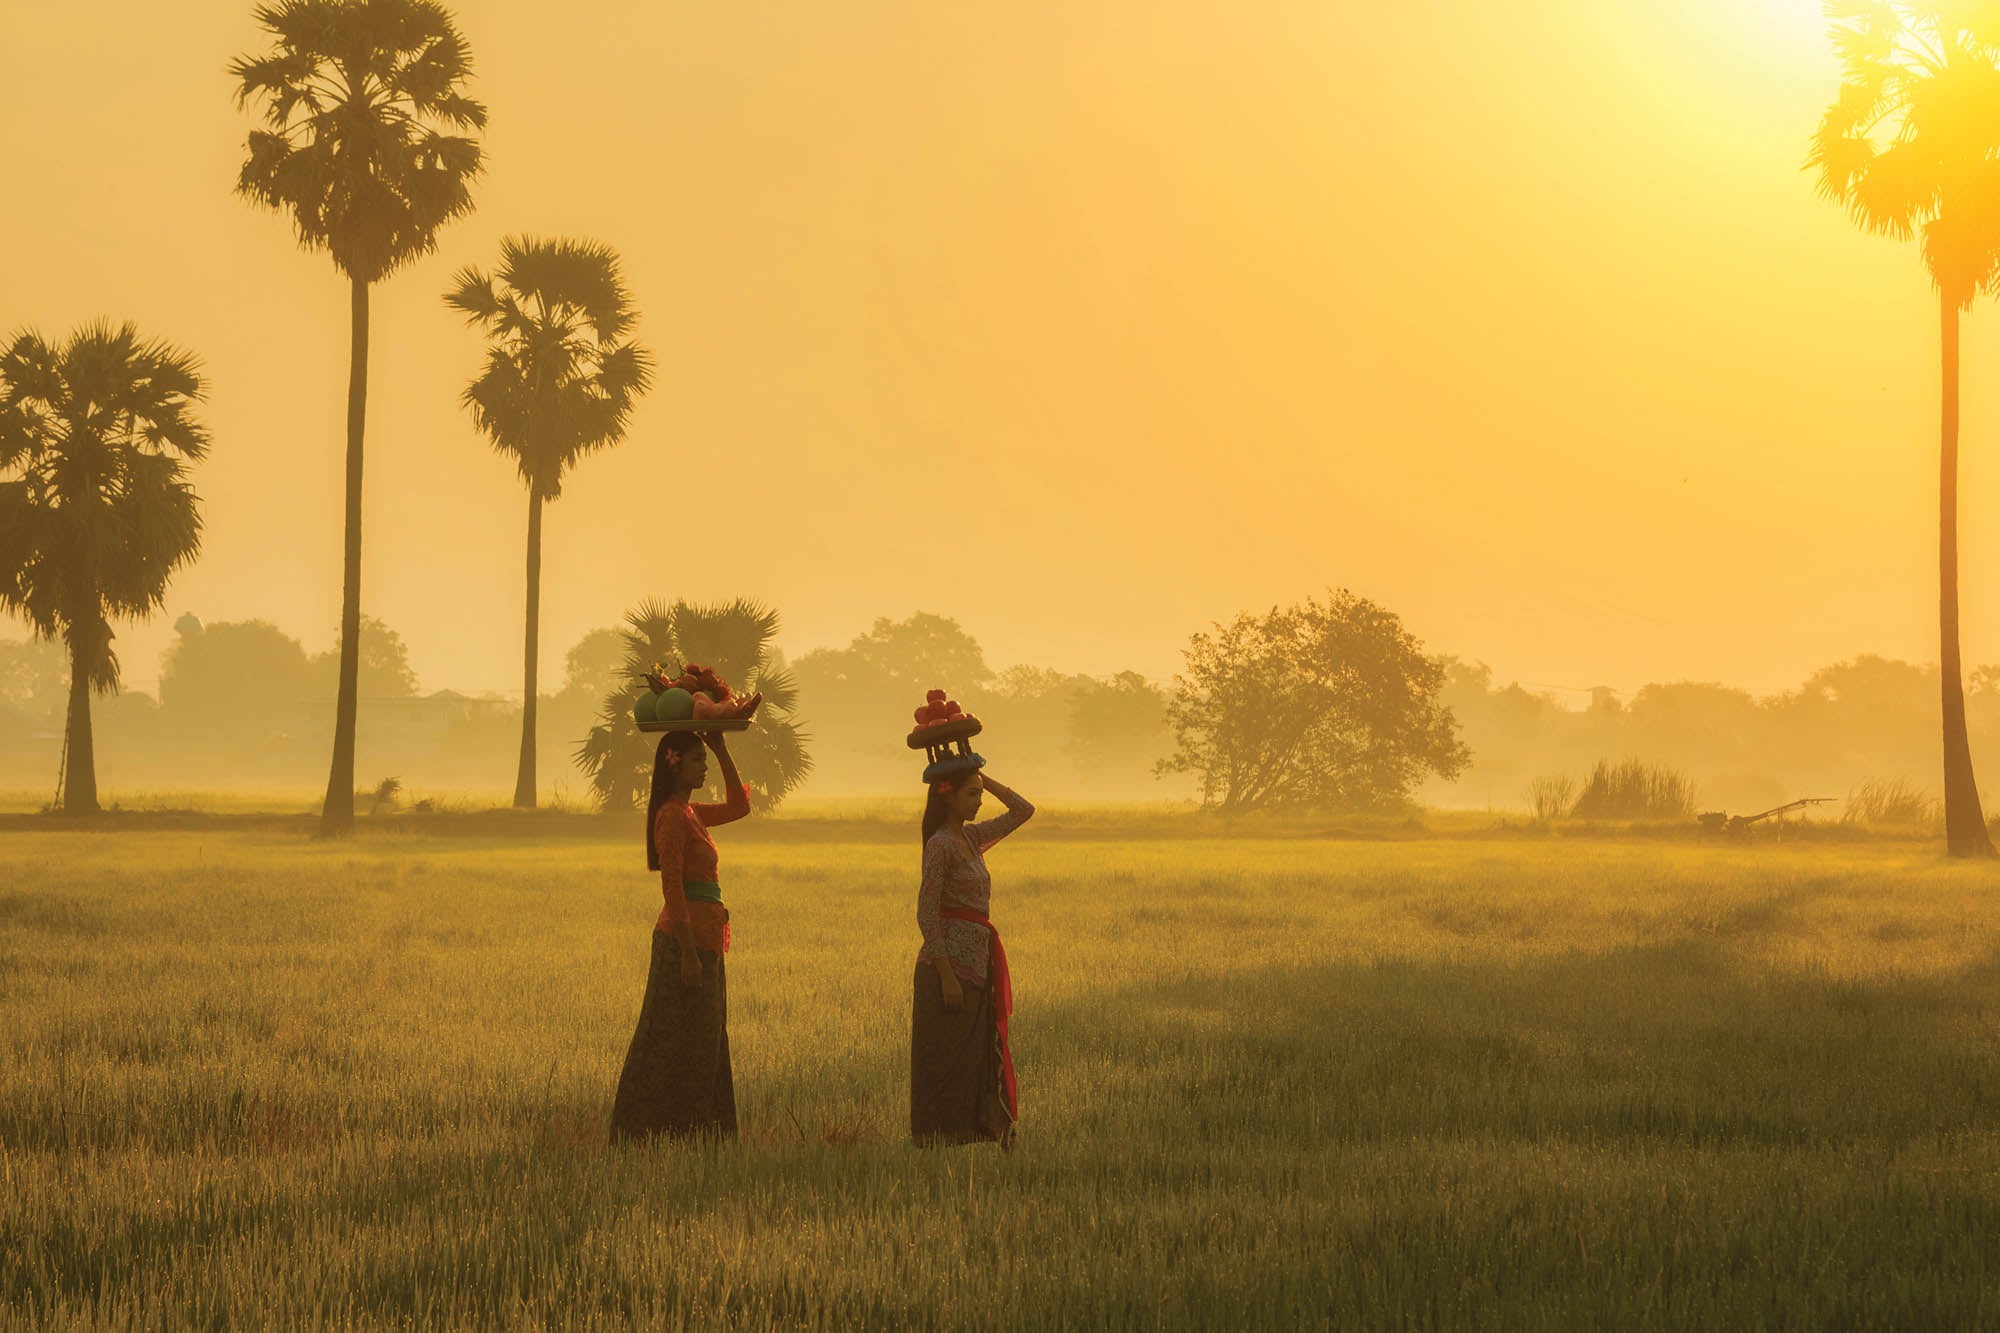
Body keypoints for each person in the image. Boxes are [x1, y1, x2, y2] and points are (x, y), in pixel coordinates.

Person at [611, 729, 751, 1141]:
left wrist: (722, 748)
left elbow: (740, 806)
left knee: (705, 1035)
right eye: (697, 759)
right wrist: (688, 953)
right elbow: (671, 886)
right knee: (668, 1036)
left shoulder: (691, 813)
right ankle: (651, 1131)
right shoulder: (672, 816)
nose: (703, 765)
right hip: (682, 944)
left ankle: (698, 1132)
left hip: (706, 942)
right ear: (674, 765)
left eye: (703, 759)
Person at [911, 762, 1035, 1147]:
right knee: (946, 1059)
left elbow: (1022, 810)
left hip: (978, 964)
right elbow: (927, 913)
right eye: (972, 794)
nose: (979, 801)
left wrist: (981, 773)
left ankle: (982, 1131)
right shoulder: (940, 845)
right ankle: (937, 1141)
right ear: (946, 797)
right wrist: (947, 975)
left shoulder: (971, 838)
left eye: (980, 794)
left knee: (977, 1055)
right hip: (946, 969)